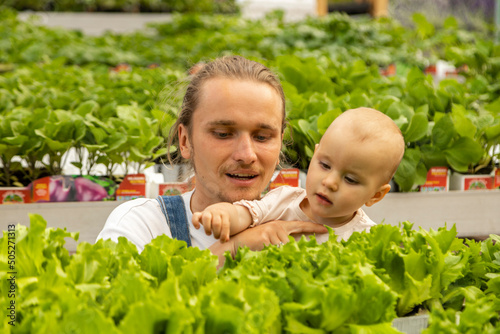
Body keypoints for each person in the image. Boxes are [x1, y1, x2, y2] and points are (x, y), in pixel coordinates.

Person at [96, 55, 328, 266]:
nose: (246, 155)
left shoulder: (308, 225)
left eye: (262, 137)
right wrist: (233, 248)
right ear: (185, 141)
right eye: (223, 134)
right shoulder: (144, 225)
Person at [192, 107, 405, 244]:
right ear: (314, 154)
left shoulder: (367, 238)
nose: (329, 182)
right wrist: (223, 215)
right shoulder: (284, 200)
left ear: (375, 196)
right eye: (324, 165)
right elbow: (244, 215)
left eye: (350, 179)